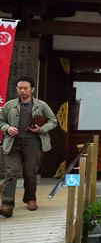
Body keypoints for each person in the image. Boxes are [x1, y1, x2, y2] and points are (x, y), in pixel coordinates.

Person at [0, 77, 58, 217]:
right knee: (11, 173)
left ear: (32, 89)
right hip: (13, 143)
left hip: (33, 143)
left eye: (25, 88)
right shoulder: (9, 105)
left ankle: (30, 199)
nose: (22, 91)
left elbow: (53, 120)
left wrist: (41, 129)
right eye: (20, 88)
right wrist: (7, 128)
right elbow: (1, 121)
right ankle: (7, 204)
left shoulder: (41, 105)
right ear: (17, 89)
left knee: (30, 173)